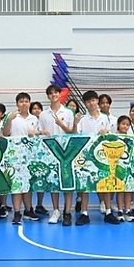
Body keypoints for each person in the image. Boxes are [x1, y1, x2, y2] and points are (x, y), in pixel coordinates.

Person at [37, 84, 77, 225]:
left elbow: (72, 132)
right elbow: (39, 132)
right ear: (48, 96)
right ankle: (56, 210)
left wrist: (61, 124)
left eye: (56, 93)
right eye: (51, 93)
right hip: (50, 152)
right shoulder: (43, 114)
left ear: (60, 95)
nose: (53, 95)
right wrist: (41, 132)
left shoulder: (68, 113)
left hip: (66, 152)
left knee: (67, 182)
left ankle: (67, 212)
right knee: (53, 182)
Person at [3, 92, 42, 225]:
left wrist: (35, 133)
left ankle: (28, 209)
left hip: (30, 156)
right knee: (16, 185)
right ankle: (17, 212)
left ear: (29, 103)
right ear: (17, 104)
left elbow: (38, 135)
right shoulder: (12, 117)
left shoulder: (34, 119)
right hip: (15, 156)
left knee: (28, 185)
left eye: (26, 101)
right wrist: (8, 120)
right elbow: (5, 133)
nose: (24, 103)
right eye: (21, 101)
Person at [76, 90, 112, 226]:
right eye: (88, 101)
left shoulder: (105, 118)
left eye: (93, 100)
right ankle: (84, 213)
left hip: (103, 156)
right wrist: (75, 123)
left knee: (106, 184)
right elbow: (77, 135)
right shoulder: (82, 120)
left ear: (97, 101)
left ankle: (108, 212)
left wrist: (106, 132)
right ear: (85, 104)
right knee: (86, 185)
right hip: (87, 157)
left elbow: (110, 136)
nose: (91, 103)